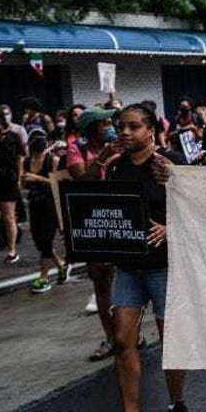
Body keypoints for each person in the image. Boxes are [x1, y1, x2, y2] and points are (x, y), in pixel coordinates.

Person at [94, 104, 191, 412]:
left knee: (171, 342)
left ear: (150, 130)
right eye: (121, 127)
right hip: (129, 267)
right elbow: (97, 205)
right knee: (122, 339)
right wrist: (100, 162)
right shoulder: (116, 166)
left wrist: (170, 227)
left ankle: (176, 404)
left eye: (134, 127)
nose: (125, 132)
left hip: (165, 266)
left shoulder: (169, 162)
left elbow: (197, 207)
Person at [68, 108, 121, 359]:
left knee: (124, 280)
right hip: (92, 220)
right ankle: (111, 337)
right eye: (105, 123)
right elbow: (81, 180)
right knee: (102, 280)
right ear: (92, 128)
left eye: (111, 122)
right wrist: (103, 157)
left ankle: (128, 334)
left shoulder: (118, 145)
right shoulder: (77, 149)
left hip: (119, 216)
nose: (110, 126)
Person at [20, 131, 68, 292]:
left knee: (46, 240)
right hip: (35, 204)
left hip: (51, 204)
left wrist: (38, 178)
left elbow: (59, 183)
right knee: (38, 240)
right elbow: (22, 183)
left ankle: (43, 277)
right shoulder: (26, 161)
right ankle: (61, 265)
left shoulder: (52, 160)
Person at [0, 122, 25, 264]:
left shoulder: (10, 138)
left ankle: (12, 250)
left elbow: (18, 158)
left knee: (9, 217)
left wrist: (19, 177)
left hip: (7, 181)